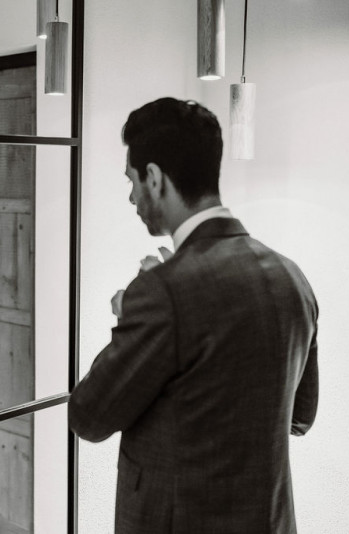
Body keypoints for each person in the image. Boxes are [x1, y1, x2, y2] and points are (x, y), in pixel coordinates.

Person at [68, 98, 319, 533]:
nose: (131, 197)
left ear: (155, 178)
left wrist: (131, 311)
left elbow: (88, 417)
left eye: (131, 180)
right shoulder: (291, 277)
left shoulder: (162, 291)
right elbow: (300, 417)